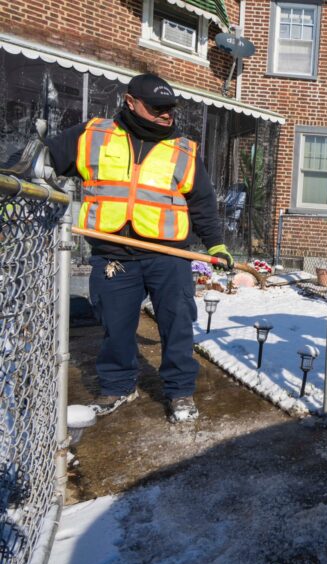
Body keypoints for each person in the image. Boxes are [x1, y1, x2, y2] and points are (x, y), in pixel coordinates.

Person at [43, 73, 233, 423]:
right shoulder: (93, 136)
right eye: (157, 108)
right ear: (130, 102)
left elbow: (202, 203)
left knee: (177, 326)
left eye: (170, 109)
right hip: (114, 254)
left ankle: (179, 392)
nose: (166, 116)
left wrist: (216, 243)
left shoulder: (183, 150)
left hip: (169, 257)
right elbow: (45, 160)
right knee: (115, 325)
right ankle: (118, 386)